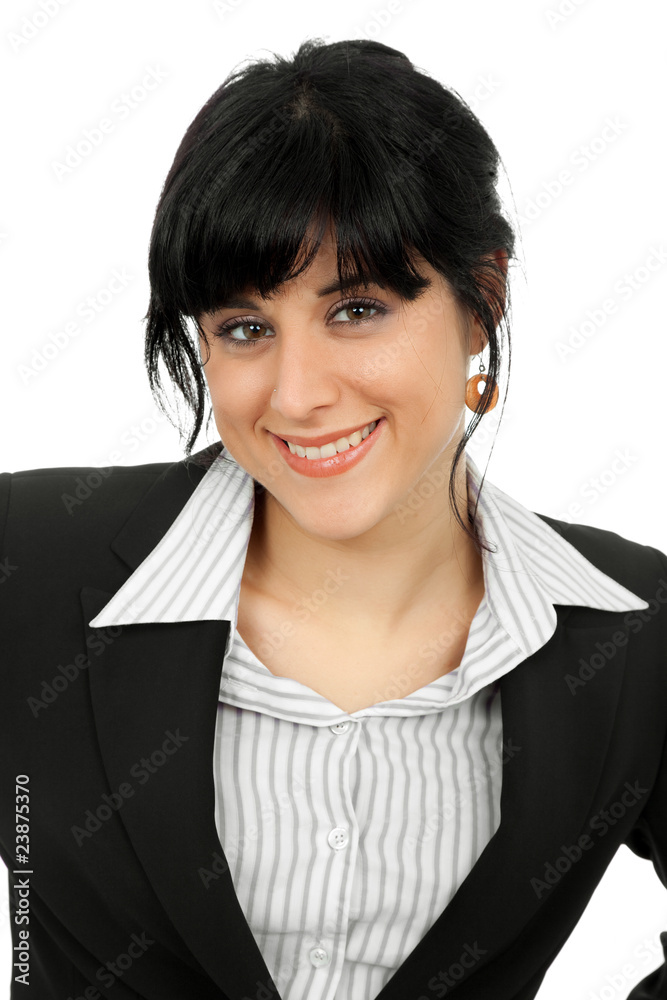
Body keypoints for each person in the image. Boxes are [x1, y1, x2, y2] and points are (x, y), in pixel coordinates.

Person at [1, 36, 666, 1000]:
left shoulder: (634, 629)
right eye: (245, 328)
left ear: (481, 299)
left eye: (355, 309)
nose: (297, 395)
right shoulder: (25, 563)